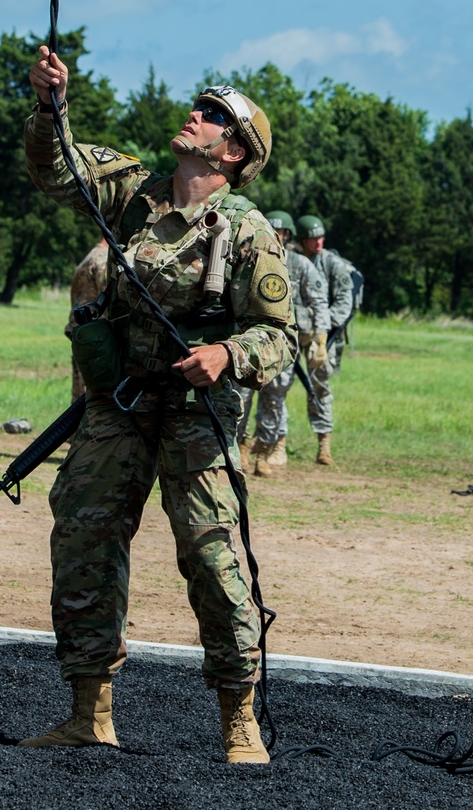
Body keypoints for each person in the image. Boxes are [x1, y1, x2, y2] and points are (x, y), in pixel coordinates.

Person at [21, 47, 297, 764]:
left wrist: (227, 355)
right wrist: (51, 104)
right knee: (83, 536)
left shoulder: (247, 231)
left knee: (209, 557)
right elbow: (57, 169)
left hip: (195, 417)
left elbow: (280, 339)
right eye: (198, 106)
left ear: (235, 151)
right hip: (117, 403)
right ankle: (90, 711)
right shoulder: (135, 191)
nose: (195, 115)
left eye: (213, 116)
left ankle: (240, 719)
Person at [237, 211, 331, 473]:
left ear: (288, 235)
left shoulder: (300, 265)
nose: (277, 236)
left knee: (275, 399)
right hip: (247, 341)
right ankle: (241, 447)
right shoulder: (246, 258)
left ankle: (263, 453)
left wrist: (319, 337)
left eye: (282, 233)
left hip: (283, 345)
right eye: (273, 231)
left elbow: (318, 300)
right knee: (241, 397)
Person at [297, 215, 357, 456]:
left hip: (322, 335)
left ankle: (324, 444)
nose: (318, 242)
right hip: (292, 330)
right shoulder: (291, 259)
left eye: (320, 237)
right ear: (302, 240)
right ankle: (262, 443)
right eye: (312, 238)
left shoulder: (333, 264)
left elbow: (345, 301)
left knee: (320, 384)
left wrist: (322, 324)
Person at [66, 237, 109, 401]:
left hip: (82, 339)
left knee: (79, 401)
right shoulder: (103, 260)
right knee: (88, 401)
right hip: (95, 344)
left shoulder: (91, 257)